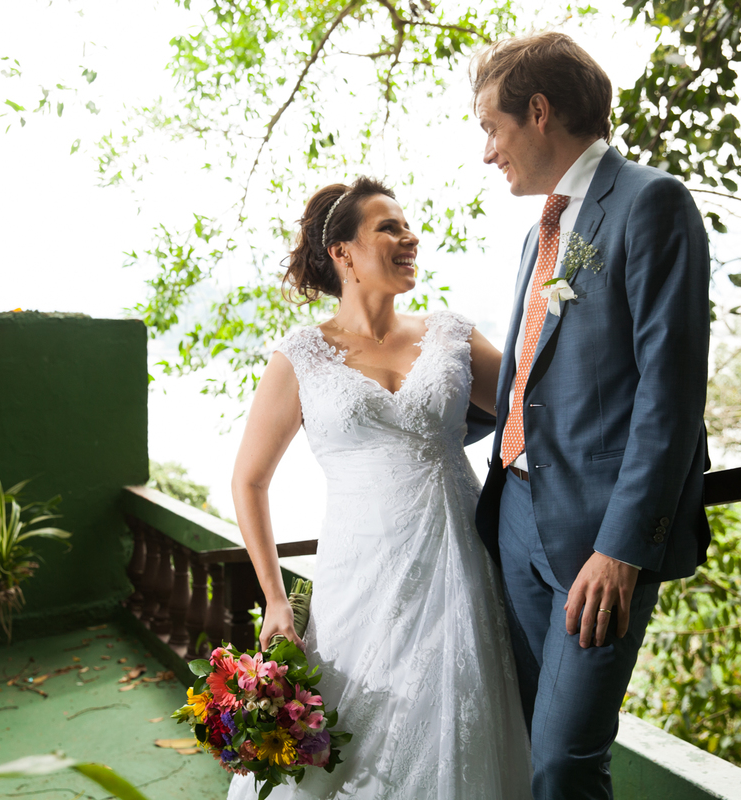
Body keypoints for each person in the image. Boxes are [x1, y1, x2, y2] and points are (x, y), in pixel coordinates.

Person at [226, 176, 533, 798]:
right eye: (389, 227)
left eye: (408, 225)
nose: (410, 237)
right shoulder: (302, 355)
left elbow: (537, 410)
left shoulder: (450, 334)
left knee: (459, 726)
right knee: (349, 736)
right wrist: (276, 600)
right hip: (357, 577)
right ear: (342, 252)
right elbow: (249, 481)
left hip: (460, 566)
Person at [470, 32, 712, 799]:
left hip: (598, 536)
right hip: (514, 515)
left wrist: (621, 549)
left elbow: (670, 397)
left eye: (492, 128)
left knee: (564, 759)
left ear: (539, 112)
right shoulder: (539, 233)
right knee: (526, 738)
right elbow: (534, 375)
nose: (487, 151)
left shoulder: (651, 203)